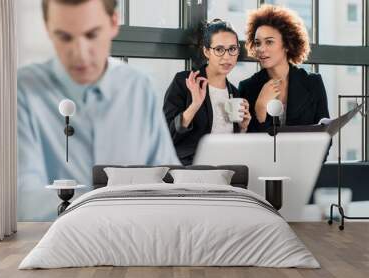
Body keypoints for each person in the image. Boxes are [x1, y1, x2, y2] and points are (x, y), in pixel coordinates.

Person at [17, 0, 179, 221]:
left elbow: (168, 176)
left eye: (92, 34)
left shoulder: (138, 87)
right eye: (65, 37)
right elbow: (24, 200)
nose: (80, 54)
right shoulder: (23, 90)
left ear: (113, 23)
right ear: (47, 29)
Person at [163, 19, 251, 165]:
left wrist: (242, 128)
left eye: (232, 49)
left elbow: (233, 144)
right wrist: (195, 105)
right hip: (190, 170)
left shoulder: (234, 93)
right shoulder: (185, 82)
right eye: (219, 49)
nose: (227, 56)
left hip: (226, 169)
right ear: (207, 51)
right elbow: (167, 137)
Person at [239, 4, 330, 132]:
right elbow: (249, 143)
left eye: (269, 42)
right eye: (258, 43)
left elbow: (326, 135)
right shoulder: (247, 87)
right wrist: (260, 109)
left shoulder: (313, 83)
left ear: (287, 44)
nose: (261, 49)